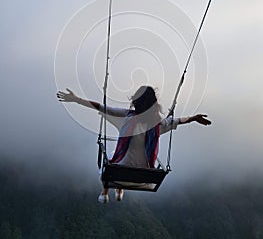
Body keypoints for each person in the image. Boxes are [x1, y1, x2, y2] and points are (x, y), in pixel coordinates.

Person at [57, 86, 211, 203]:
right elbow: (179, 121)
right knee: (122, 162)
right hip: (144, 179)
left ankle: (105, 192)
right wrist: (194, 118)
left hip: (117, 175)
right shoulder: (158, 125)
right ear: (154, 105)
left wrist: (76, 99)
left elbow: (102, 107)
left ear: (135, 102)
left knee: (111, 160)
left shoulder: (126, 117)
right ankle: (118, 189)